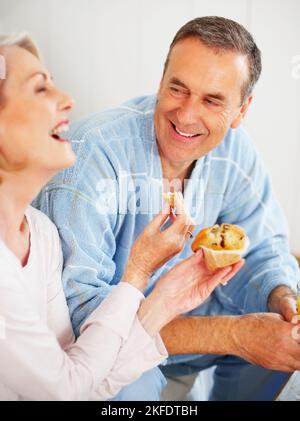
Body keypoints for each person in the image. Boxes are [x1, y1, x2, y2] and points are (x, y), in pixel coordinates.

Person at [34, 16, 300, 401]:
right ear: (161, 81)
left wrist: (283, 300)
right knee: (129, 387)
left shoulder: (236, 154)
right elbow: (81, 320)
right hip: (109, 350)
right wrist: (234, 334)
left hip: (192, 332)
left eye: (212, 100)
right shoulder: (92, 155)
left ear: (242, 110)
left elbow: (262, 249)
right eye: (178, 89)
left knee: (280, 338)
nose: (187, 114)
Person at [0, 34, 243, 401]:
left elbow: (85, 375)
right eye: (40, 89)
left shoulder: (41, 235)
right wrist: (140, 271)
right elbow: (64, 391)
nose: (68, 100)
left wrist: (166, 296)